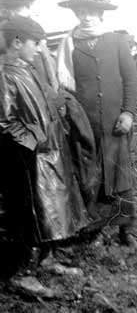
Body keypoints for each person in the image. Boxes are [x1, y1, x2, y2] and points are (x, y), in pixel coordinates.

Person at [0, 17, 89, 297]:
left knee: (51, 211)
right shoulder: (5, 73)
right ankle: (21, 273)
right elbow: (4, 121)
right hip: (27, 160)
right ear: (17, 42)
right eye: (34, 43)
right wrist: (34, 142)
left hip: (47, 155)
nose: (39, 49)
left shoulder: (26, 69)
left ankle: (46, 260)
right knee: (30, 215)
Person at [56, 0, 137, 246]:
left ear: (102, 14)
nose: (87, 17)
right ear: (76, 14)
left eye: (92, 12)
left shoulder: (116, 41)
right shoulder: (70, 45)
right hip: (86, 125)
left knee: (120, 177)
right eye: (82, 12)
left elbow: (131, 80)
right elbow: (64, 88)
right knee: (91, 179)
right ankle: (96, 230)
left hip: (116, 123)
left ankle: (125, 230)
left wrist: (128, 112)